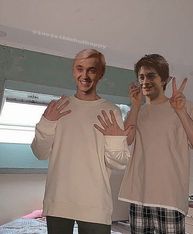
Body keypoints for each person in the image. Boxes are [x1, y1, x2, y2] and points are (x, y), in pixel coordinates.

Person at [31, 49, 132, 234]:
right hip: (58, 201)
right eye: (79, 68)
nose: (84, 75)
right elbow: (39, 152)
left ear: (100, 74)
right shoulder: (57, 107)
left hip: (95, 204)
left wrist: (115, 139)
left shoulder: (112, 111)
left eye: (91, 70)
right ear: (73, 71)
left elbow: (119, 163)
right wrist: (47, 123)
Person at [118, 54, 193, 234]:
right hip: (138, 196)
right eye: (141, 77)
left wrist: (181, 112)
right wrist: (135, 106)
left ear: (164, 79)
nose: (145, 81)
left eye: (151, 76)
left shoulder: (183, 106)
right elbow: (124, 141)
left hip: (170, 198)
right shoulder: (138, 111)